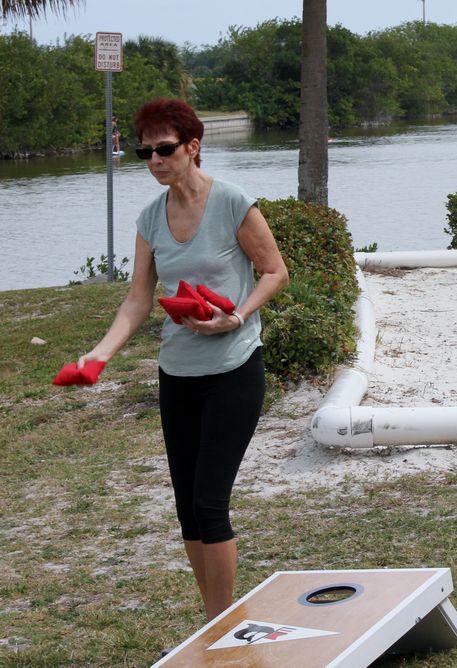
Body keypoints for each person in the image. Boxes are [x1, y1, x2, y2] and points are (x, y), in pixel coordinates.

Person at [76, 98, 289, 621]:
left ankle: (219, 626)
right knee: (187, 509)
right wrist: (98, 355)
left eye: (164, 149)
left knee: (210, 503)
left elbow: (275, 271)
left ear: (193, 147)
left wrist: (235, 317)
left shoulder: (233, 202)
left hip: (234, 370)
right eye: (144, 153)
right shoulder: (150, 218)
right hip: (177, 375)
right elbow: (138, 299)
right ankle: (212, 619)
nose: (154, 160)